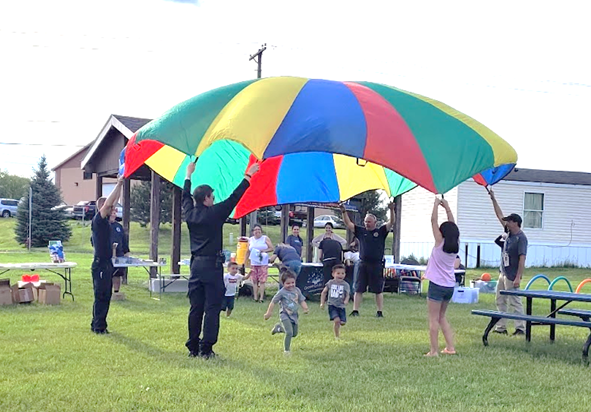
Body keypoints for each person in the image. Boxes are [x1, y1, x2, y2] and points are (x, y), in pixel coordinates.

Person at [183, 161, 260, 359]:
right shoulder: (215, 213)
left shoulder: (190, 214)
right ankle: (206, 348)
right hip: (212, 265)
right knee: (212, 308)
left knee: (196, 307)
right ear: (207, 198)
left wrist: (188, 175)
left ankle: (193, 347)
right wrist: (248, 176)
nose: (215, 198)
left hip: (195, 266)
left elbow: (185, 197)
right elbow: (234, 197)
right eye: (212, 196)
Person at [341, 201, 395, 318]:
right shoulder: (361, 231)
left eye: (369, 222)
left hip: (376, 265)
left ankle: (379, 311)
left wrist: (391, 210)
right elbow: (348, 223)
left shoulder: (380, 232)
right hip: (362, 264)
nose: (367, 224)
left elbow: (391, 222)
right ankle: (355, 310)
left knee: (378, 290)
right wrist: (344, 211)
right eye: (365, 222)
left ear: (375, 222)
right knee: (358, 288)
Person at [488, 188, 528, 337]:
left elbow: (522, 259)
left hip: (512, 275)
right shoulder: (509, 233)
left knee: (515, 301)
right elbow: (499, 215)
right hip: (503, 272)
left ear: (516, 223)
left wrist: (518, 277)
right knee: (500, 299)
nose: (506, 223)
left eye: (509, 221)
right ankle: (501, 327)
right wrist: (493, 198)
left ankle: (520, 328)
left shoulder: (521, 238)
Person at [424, 198, 459, 357]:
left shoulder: (439, 242)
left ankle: (434, 351)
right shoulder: (455, 243)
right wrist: (448, 208)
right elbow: (453, 225)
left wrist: (436, 205)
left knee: (433, 319)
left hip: (437, 285)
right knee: (441, 316)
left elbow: (433, 221)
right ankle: (450, 348)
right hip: (449, 286)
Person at [90, 176, 124, 334]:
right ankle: (99, 327)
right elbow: (109, 203)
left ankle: (97, 323)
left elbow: (113, 202)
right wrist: (117, 184)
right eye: (110, 209)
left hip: (106, 263)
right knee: (102, 296)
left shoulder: (107, 222)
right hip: (100, 263)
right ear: (103, 208)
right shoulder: (98, 220)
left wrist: (121, 186)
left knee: (105, 295)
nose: (114, 211)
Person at [264, 268, 309, 355]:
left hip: (294, 315)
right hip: (285, 314)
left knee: (294, 334)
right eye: (288, 283)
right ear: (283, 283)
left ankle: (279, 328)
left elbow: (301, 300)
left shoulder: (297, 291)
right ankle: (286, 351)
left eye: (292, 282)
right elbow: (273, 302)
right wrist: (269, 312)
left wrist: (305, 308)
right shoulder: (281, 292)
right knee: (289, 332)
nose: (291, 285)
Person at [320, 264, 350, 339]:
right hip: (332, 305)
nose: (340, 275)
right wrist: (322, 303)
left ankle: (339, 326)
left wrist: (346, 300)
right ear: (333, 274)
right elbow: (324, 292)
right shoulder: (330, 283)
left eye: (343, 273)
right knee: (337, 320)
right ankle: (337, 336)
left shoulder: (345, 285)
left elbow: (347, 294)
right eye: (338, 273)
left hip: (341, 306)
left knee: (342, 322)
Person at [248, 224, 274, 302]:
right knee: (254, 280)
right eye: (255, 230)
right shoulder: (251, 239)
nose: (257, 231)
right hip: (253, 262)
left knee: (262, 280)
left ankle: (261, 297)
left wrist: (264, 251)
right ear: (253, 232)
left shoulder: (265, 238)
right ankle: (255, 297)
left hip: (263, 262)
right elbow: (248, 250)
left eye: (258, 229)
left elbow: (271, 248)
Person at [109, 207, 130, 295]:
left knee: (118, 273)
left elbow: (124, 240)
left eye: (114, 213)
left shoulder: (118, 226)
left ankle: (116, 291)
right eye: (112, 213)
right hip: (108, 254)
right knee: (109, 273)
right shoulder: (103, 226)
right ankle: (107, 292)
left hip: (119, 254)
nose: (113, 215)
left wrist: (126, 252)